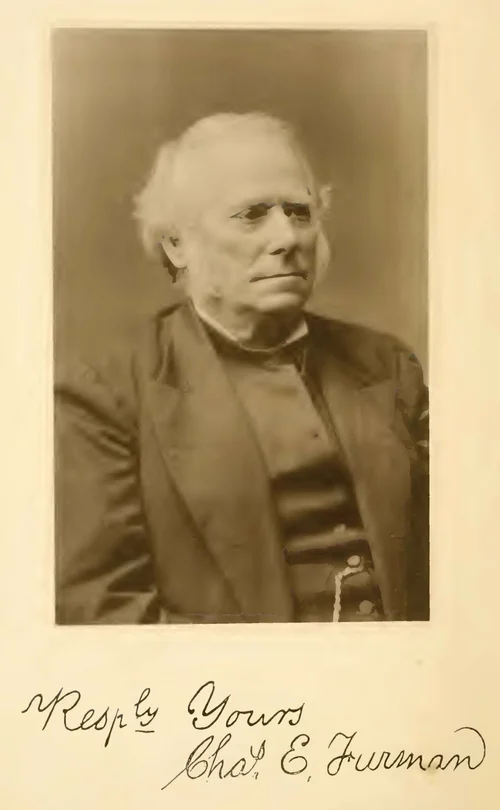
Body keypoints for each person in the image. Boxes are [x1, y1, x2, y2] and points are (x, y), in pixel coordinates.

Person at [55, 112, 429, 624]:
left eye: (299, 212)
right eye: (252, 214)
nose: (287, 237)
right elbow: (103, 608)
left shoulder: (388, 366)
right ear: (177, 243)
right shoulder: (108, 391)